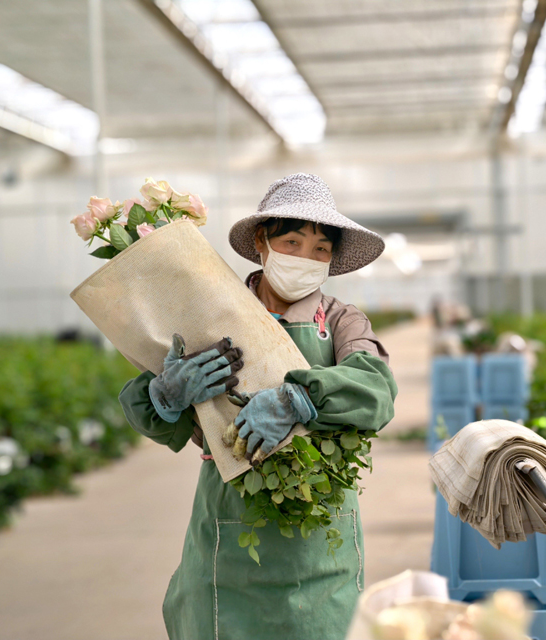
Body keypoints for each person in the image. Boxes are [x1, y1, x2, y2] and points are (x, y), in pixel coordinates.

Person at [117, 173, 397, 640]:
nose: (305, 259)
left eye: (320, 250)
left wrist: (298, 398)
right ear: (260, 243)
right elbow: (139, 402)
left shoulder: (343, 322)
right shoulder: (210, 315)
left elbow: (376, 387)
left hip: (320, 529)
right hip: (229, 527)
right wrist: (165, 395)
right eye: (292, 242)